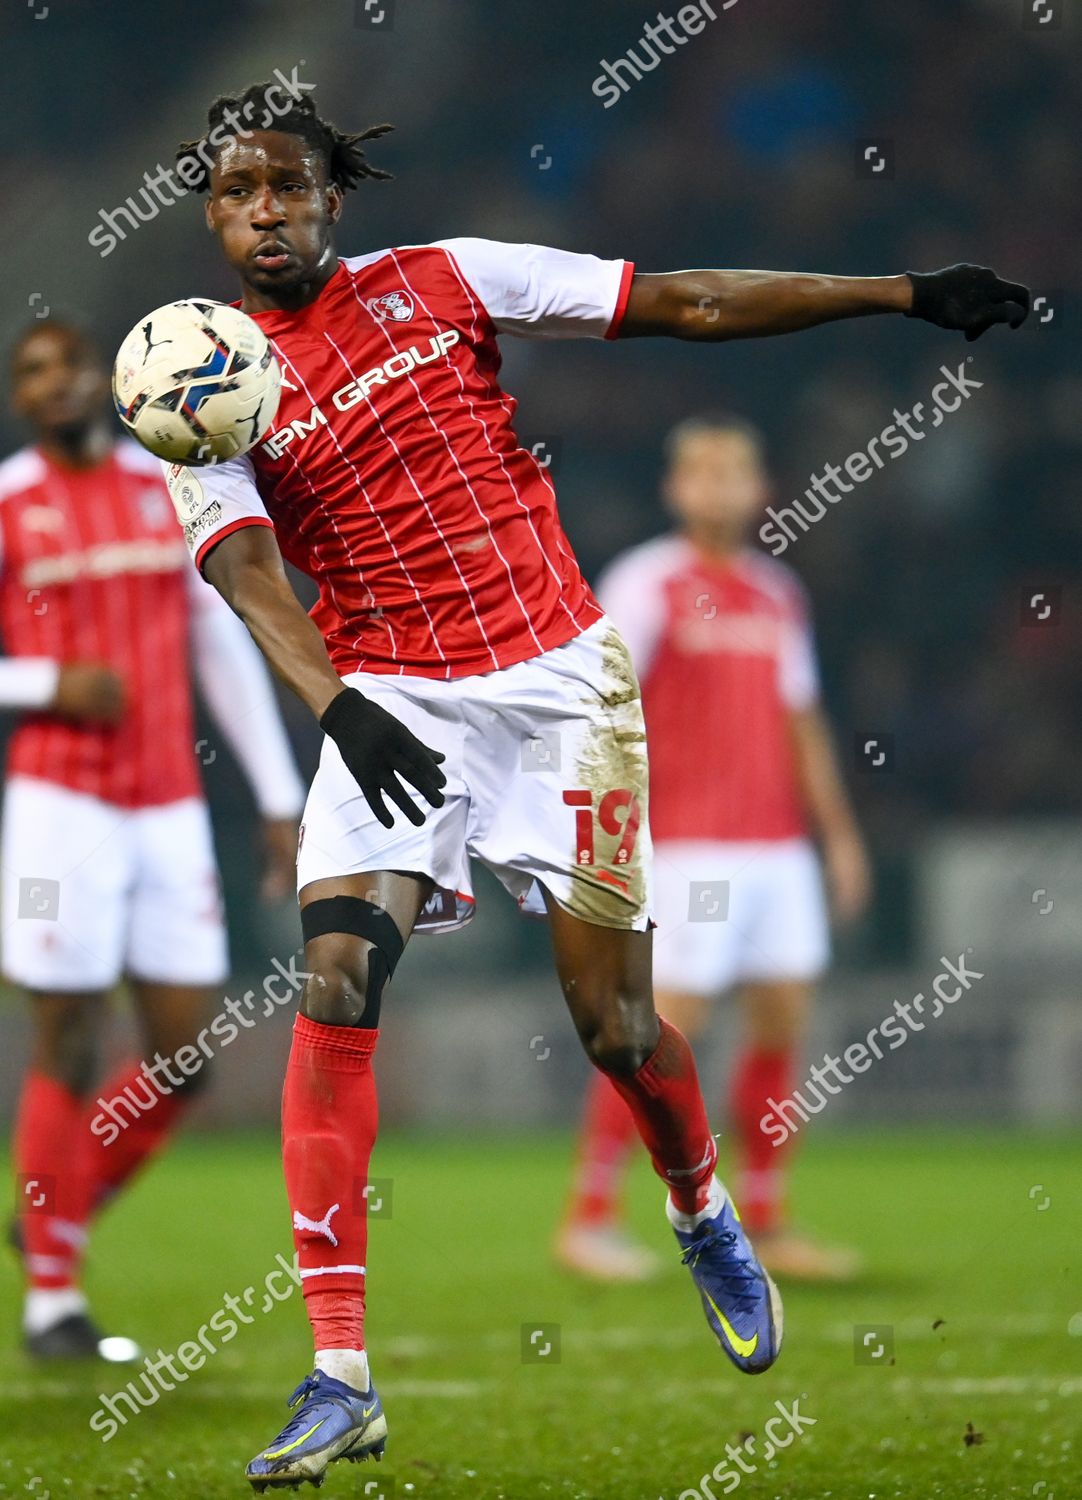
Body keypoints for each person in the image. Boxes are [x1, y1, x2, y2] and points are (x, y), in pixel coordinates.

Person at [162, 80, 1028, 1490]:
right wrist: (337, 711)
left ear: (333, 197)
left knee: (618, 1027)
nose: (262, 211)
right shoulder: (200, 375)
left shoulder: (449, 277)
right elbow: (245, 570)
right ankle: (337, 1376)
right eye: (233, 192)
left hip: (557, 683)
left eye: (286, 186)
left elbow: (680, 299)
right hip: (389, 702)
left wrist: (899, 292)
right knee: (331, 978)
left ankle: (695, 1206)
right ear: (209, 213)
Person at [2, 320, 306, 1359]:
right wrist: (43, 684)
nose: (57, 382)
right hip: (58, 803)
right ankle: (53, 1296)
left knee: (183, 1058)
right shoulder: (9, 502)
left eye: (70, 363)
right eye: (34, 372)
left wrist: (275, 792)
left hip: (169, 800)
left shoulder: (167, 483)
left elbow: (220, 642)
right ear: (20, 396)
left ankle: (56, 1203)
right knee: (71, 1038)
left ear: (110, 376)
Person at [557, 414, 870, 1286]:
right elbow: (599, 704)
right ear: (677, 489)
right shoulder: (648, 583)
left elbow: (801, 719)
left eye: (734, 472)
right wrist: (603, 828)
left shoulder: (778, 593)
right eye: (702, 473)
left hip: (778, 850)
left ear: (759, 488)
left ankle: (766, 1218)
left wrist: (838, 837)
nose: (718, 487)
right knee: (660, 1031)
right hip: (690, 849)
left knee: (781, 1021)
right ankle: (588, 1218)